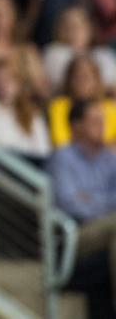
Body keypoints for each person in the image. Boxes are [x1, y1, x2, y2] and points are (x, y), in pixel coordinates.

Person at [48, 99, 116, 316]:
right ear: (77, 126)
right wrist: (106, 203)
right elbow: (70, 205)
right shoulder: (62, 157)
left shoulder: (110, 159)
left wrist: (90, 198)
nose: (102, 125)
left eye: (103, 120)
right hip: (76, 235)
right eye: (95, 121)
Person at [42, 5, 116, 94]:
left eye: (79, 24)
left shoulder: (104, 54)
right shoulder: (53, 53)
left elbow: (112, 85)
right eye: (67, 25)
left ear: (89, 28)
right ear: (59, 28)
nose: (74, 29)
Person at [48, 55, 116, 148]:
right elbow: (61, 143)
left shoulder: (110, 108)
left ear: (97, 79)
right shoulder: (59, 106)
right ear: (69, 79)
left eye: (87, 76)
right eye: (77, 76)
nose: (82, 81)